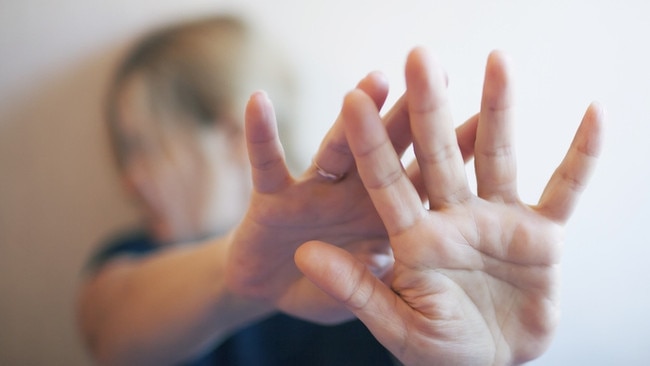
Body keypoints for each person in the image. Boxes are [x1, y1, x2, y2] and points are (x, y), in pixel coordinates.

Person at [76, 14, 602, 366]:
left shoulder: (384, 278)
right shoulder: (136, 259)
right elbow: (106, 330)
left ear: (232, 133)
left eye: (142, 147)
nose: (129, 179)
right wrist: (240, 279)